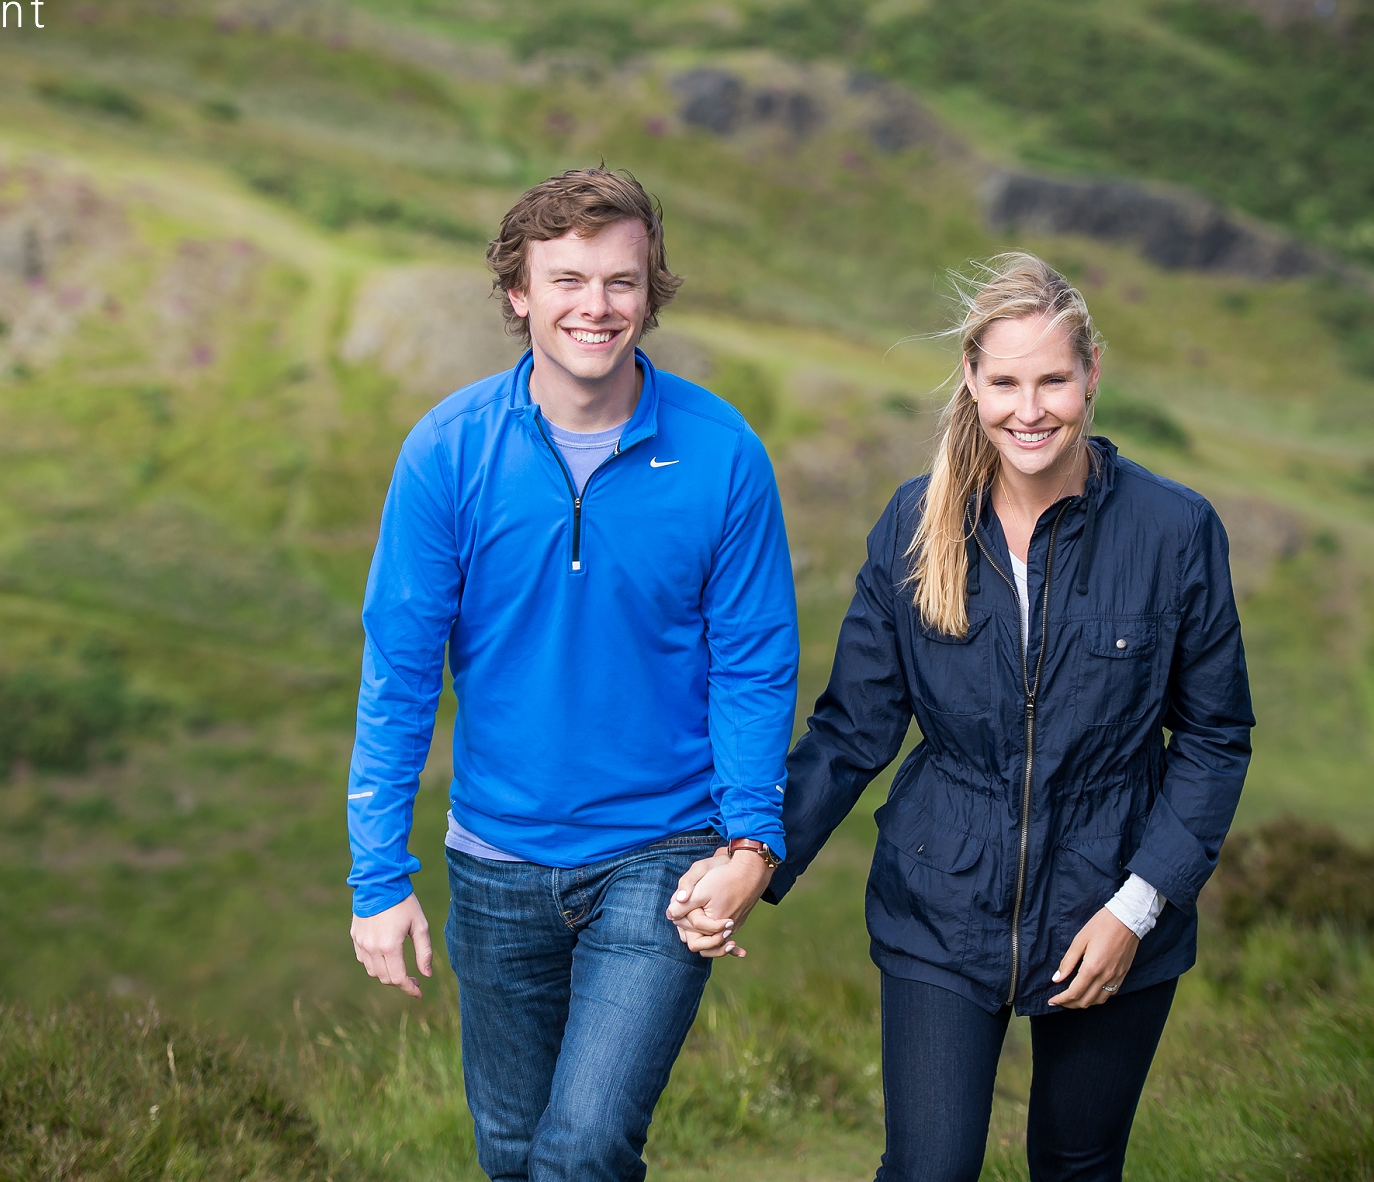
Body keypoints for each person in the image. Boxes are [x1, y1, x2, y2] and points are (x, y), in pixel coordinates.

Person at [668, 253, 1253, 1182]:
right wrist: (755, 851)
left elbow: (1215, 739)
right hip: (941, 900)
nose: (1032, 408)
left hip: (1110, 902)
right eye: (1007, 381)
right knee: (930, 1169)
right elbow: (855, 728)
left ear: (1092, 374)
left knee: (1077, 1164)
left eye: (1054, 379)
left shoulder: (1175, 531)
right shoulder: (915, 524)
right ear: (972, 382)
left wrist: (1136, 909)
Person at [345, 166, 799, 1182]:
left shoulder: (722, 453)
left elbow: (754, 663)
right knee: (512, 1156)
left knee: (583, 1144)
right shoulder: (446, 453)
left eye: (620, 281)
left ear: (651, 292)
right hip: (494, 861)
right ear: (518, 292)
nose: (595, 306)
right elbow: (400, 674)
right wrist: (378, 877)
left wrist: (750, 840)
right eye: (566, 279)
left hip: (662, 857)